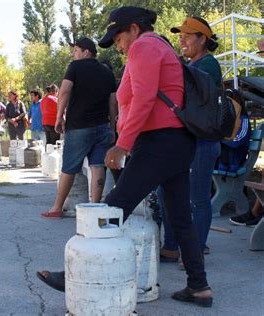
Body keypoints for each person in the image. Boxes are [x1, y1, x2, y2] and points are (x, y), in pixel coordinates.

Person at [37, 7, 213, 308]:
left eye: (118, 37)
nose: (118, 45)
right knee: (180, 217)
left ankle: (74, 275)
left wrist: (123, 145)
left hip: (158, 142)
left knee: (113, 207)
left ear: (133, 28)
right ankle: (199, 287)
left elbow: (144, 98)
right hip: (176, 142)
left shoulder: (144, 46)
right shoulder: (160, 46)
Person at [160, 17, 223, 263]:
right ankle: (172, 247)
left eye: (188, 34)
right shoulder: (189, 64)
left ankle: (195, 251)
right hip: (186, 140)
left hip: (203, 141)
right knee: (167, 192)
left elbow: (182, 88)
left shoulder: (208, 65)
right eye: (180, 34)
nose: (181, 39)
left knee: (197, 198)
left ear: (203, 39)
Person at [40, 37, 116, 218]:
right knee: (97, 166)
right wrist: (112, 127)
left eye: (75, 50)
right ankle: (95, 208)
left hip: (79, 127)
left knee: (69, 168)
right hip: (102, 127)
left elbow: (64, 91)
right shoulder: (106, 72)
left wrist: (59, 117)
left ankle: (57, 208)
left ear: (86, 52)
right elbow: (113, 101)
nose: (73, 54)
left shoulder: (75, 67)